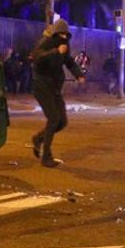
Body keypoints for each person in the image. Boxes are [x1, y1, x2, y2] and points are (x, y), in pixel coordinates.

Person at [30, 20, 86, 167]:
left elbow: (69, 62)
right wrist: (55, 52)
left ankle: (39, 139)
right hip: (42, 87)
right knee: (54, 118)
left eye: (66, 35)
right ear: (55, 34)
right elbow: (37, 58)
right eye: (61, 34)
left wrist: (78, 74)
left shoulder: (65, 46)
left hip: (55, 88)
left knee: (62, 122)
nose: (64, 37)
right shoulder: (46, 42)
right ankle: (46, 157)